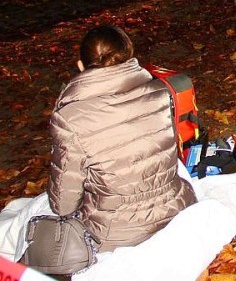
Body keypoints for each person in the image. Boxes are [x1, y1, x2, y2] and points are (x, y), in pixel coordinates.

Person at [48, 25, 197, 253]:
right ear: (128, 57)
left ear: (81, 66)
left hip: (115, 234)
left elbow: (63, 205)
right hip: (177, 209)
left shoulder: (70, 117)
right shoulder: (160, 92)